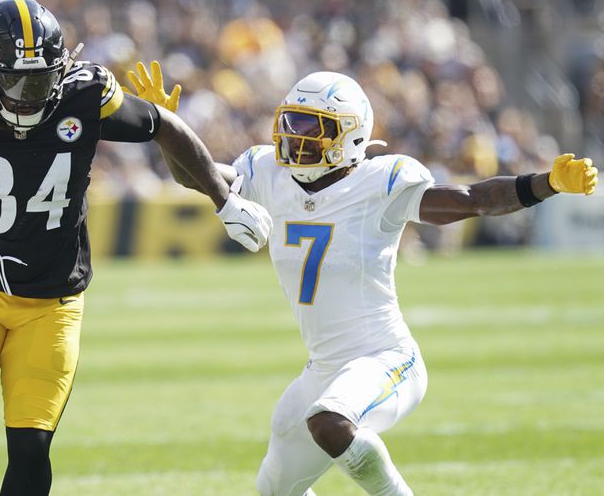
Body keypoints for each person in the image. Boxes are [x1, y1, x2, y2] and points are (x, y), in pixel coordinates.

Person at [0, 0, 272, 496]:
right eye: (15, 82)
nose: (29, 96)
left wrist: (223, 199)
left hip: (53, 304)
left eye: (41, 81)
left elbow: (165, 127)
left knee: (30, 453)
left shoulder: (86, 93)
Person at [126, 61, 598, 496]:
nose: (295, 136)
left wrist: (545, 184)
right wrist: (170, 131)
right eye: (291, 122)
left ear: (349, 135)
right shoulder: (268, 170)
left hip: (385, 357)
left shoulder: (379, 182)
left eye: (312, 126)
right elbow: (198, 177)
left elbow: (472, 198)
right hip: (324, 367)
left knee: (330, 421)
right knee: (274, 489)